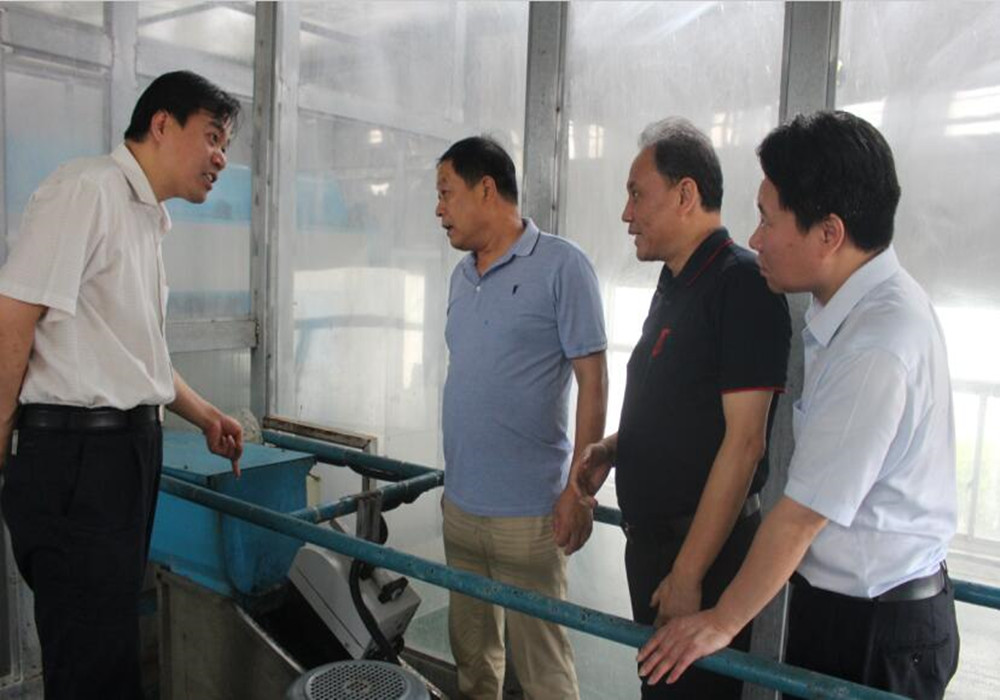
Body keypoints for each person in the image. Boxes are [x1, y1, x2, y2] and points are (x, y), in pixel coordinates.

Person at [636, 111, 960, 700]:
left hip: (877, 630)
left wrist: (721, 620)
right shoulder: (847, 311)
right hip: (842, 606)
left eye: (767, 219)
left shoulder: (877, 342)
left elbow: (801, 515)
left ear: (828, 233)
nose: (756, 238)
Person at [0, 70, 245, 699]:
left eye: (225, 145)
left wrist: (205, 413)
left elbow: (138, 356)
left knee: (108, 641)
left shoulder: (146, 218)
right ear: (161, 124)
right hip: (77, 456)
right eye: (212, 137)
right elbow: (13, 316)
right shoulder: (87, 190)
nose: (221, 158)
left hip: (123, 454)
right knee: (89, 653)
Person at [573, 118, 791, 698]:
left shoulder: (740, 285)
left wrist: (689, 574)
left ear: (685, 194)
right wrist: (615, 448)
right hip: (656, 548)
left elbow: (745, 443)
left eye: (636, 194)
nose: (626, 214)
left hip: (702, 554)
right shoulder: (676, 283)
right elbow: (684, 408)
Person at [436, 135, 608, 699]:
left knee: (544, 672)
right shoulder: (461, 276)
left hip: (532, 516)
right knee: (472, 659)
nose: (439, 209)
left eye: (446, 193)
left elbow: (594, 381)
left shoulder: (562, 265)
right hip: (461, 506)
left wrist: (578, 490)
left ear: (486, 189)